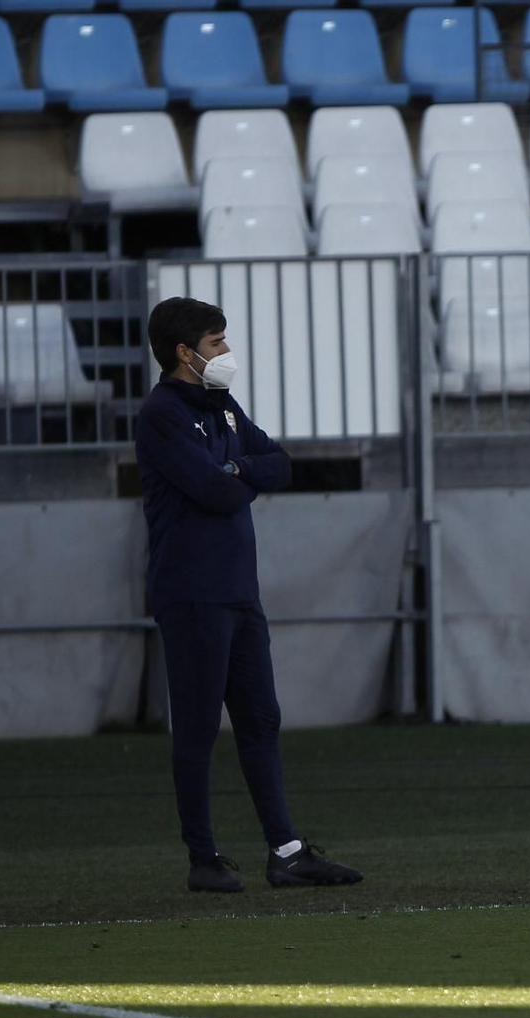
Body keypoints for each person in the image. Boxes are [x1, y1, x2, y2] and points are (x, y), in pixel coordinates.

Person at [135, 297, 363, 894]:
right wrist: (239, 474)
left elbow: (280, 464)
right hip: (192, 591)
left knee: (261, 718)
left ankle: (286, 853)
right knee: (198, 727)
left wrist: (236, 473)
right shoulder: (162, 412)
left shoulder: (221, 406)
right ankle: (203, 857)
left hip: (238, 590)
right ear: (185, 354)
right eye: (216, 343)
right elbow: (214, 490)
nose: (227, 352)